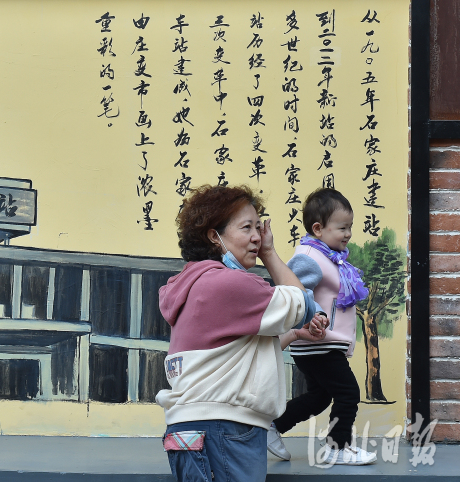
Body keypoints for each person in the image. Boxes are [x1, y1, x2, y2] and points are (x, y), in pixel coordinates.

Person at [156, 185, 328, 482]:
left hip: (194, 429)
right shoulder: (229, 284)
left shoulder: (191, 283)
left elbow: (236, 355)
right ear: (214, 236)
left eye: (259, 229)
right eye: (247, 227)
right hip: (224, 430)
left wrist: (295, 335)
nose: (257, 237)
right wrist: (270, 253)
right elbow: (305, 304)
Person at [267, 188, 377, 466]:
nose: (348, 233)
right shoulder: (309, 256)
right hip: (317, 342)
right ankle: (337, 447)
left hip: (321, 344)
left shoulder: (329, 256)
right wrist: (312, 315)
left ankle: (271, 427)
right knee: (348, 392)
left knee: (319, 397)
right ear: (318, 228)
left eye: (349, 227)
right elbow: (293, 292)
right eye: (342, 227)